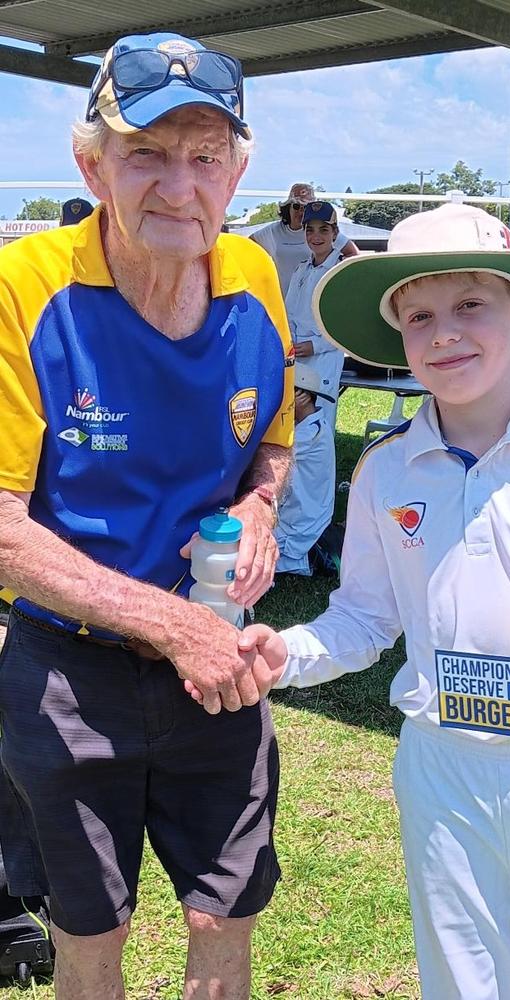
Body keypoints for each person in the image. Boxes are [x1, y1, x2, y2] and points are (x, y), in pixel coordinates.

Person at [234, 204, 510, 999]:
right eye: (419, 316)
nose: (444, 333)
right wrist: (283, 654)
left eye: (470, 306)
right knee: (458, 981)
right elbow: (364, 616)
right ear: (398, 336)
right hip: (439, 762)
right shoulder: (390, 467)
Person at [0, 31, 294, 1000]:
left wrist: (258, 508)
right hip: (71, 669)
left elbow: (272, 447)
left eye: (204, 155)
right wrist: (172, 625)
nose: (180, 185)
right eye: (147, 154)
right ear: (91, 164)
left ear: (237, 169)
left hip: (215, 656)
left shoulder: (254, 279)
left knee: (224, 913)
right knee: (91, 930)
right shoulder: (26, 287)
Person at [284, 201, 346, 428]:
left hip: (324, 357)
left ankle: (322, 465)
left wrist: (316, 346)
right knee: (293, 422)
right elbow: (289, 312)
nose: (316, 236)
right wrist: (290, 341)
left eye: (324, 229)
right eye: (310, 230)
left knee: (319, 423)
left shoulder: (341, 271)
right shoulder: (302, 269)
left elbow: (345, 327)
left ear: (335, 233)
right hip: (297, 355)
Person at [275, 363, 335, 576]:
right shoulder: (312, 427)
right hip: (301, 511)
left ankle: (310, 556)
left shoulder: (309, 435)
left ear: (301, 397)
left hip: (301, 520)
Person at [251, 182, 358, 295]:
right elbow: (247, 248)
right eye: (296, 206)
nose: (301, 211)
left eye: (306, 207)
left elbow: (353, 254)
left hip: (316, 297)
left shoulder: (326, 233)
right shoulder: (272, 231)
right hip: (282, 299)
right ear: (288, 208)